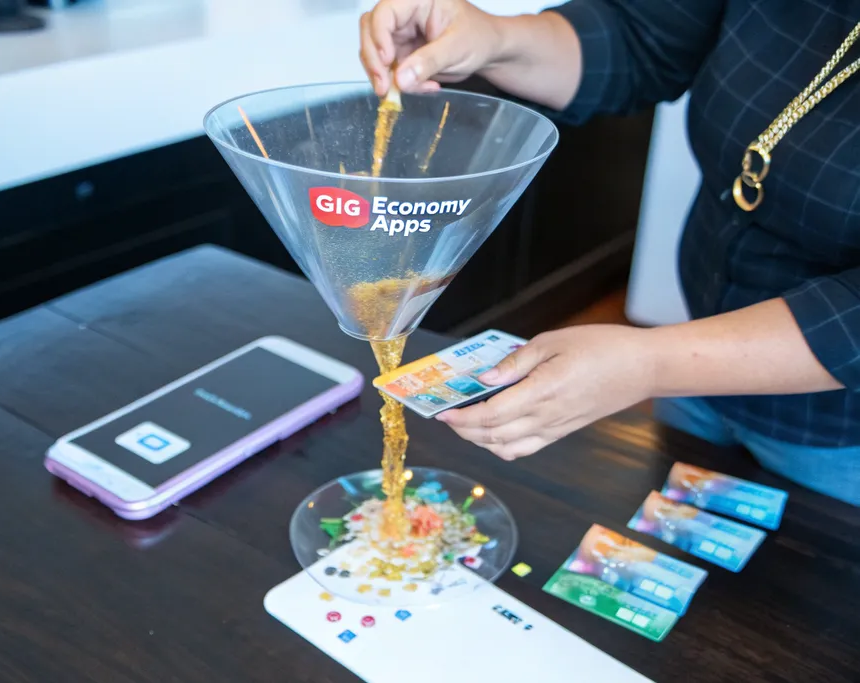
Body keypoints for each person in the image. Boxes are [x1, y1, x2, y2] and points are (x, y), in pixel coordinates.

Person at [359, 0, 860, 506]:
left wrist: (652, 366)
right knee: (677, 525)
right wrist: (492, 38)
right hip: (695, 359)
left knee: (812, 572)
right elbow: (640, 42)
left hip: (842, 432)